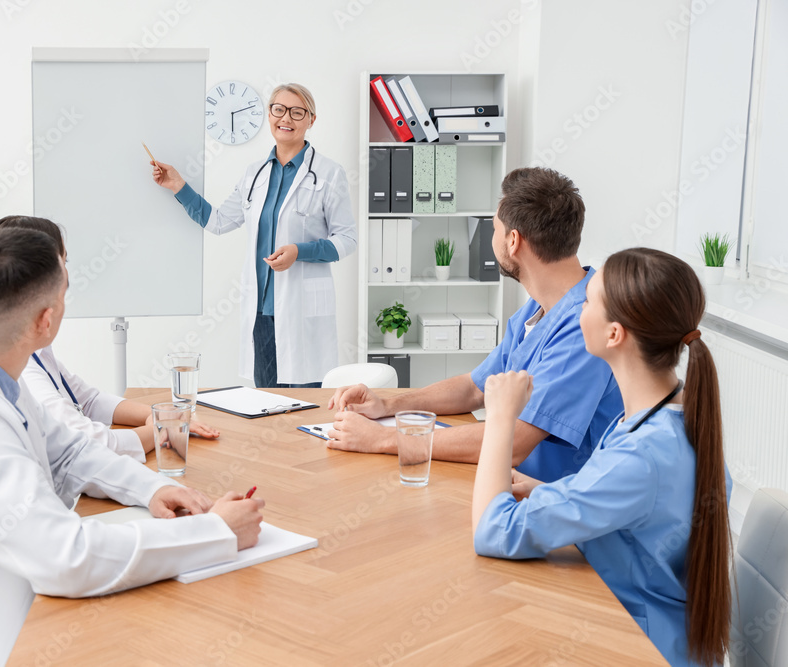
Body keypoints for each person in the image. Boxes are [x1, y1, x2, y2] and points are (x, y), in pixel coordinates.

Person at [0, 229, 264, 666]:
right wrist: (216, 532)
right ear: (46, 320)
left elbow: (69, 450)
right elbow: (65, 558)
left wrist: (149, 490)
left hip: (0, 593)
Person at [472, 248, 732, 667]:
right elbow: (638, 514)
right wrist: (548, 491)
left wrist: (502, 417)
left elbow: (493, 532)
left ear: (614, 335)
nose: (578, 309)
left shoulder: (642, 456)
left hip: (639, 646)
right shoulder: (668, 417)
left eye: (588, 300)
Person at [328, 167, 622, 483]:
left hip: (553, 508)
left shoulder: (585, 324)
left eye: (493, 228)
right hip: (512, 485)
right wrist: (386, 405)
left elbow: (515, 442)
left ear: (513, 241)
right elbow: (474, 387)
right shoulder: (540, 309)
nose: (489, 237)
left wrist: (384, 439)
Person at [151, 83, 357, 388]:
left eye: (297, 112)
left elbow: (347, 239)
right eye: (279, 109)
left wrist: (300, 251)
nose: (286, 118)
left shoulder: (329, 173)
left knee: (307, 406)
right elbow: (219, 221)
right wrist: (179, 186)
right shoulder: (254, 174)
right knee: (269, 408)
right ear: (269, 113)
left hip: (303, 312)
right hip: (262, 313)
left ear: (311, 120)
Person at [0, 215, 220, 463]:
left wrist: (159, 416)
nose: (66, 274)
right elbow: (90, 444)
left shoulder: (33, 349)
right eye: (64, 261)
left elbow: (88, 400)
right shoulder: (19, 368)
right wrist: (162, 430)